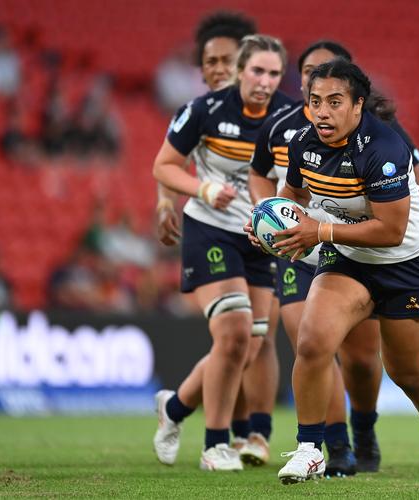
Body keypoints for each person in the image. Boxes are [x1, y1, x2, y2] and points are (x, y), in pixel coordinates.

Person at [245, 59, 419, 490]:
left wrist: (318, 230)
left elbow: (390, 230)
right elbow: (292, 192)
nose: (321, 112)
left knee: (408, 373)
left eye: (334, 102)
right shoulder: (304, 142)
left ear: (358, 104)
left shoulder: (384, 147)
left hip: (409, 263)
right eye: (314, 102)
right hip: (347, 258)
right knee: (312, 341)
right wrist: (271, 221)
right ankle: (310, 448)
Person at [152, 33, 292, 471]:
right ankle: (215, 444)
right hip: (210, 231)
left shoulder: (290, 116)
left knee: (250, 345)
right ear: (239, 71)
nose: (265, 81)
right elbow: (164, 166)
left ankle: (174, 409)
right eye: (257, 71)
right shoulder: (205, 110)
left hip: (261, 238)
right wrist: (204, 187)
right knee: (234, 333)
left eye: (273, 73)